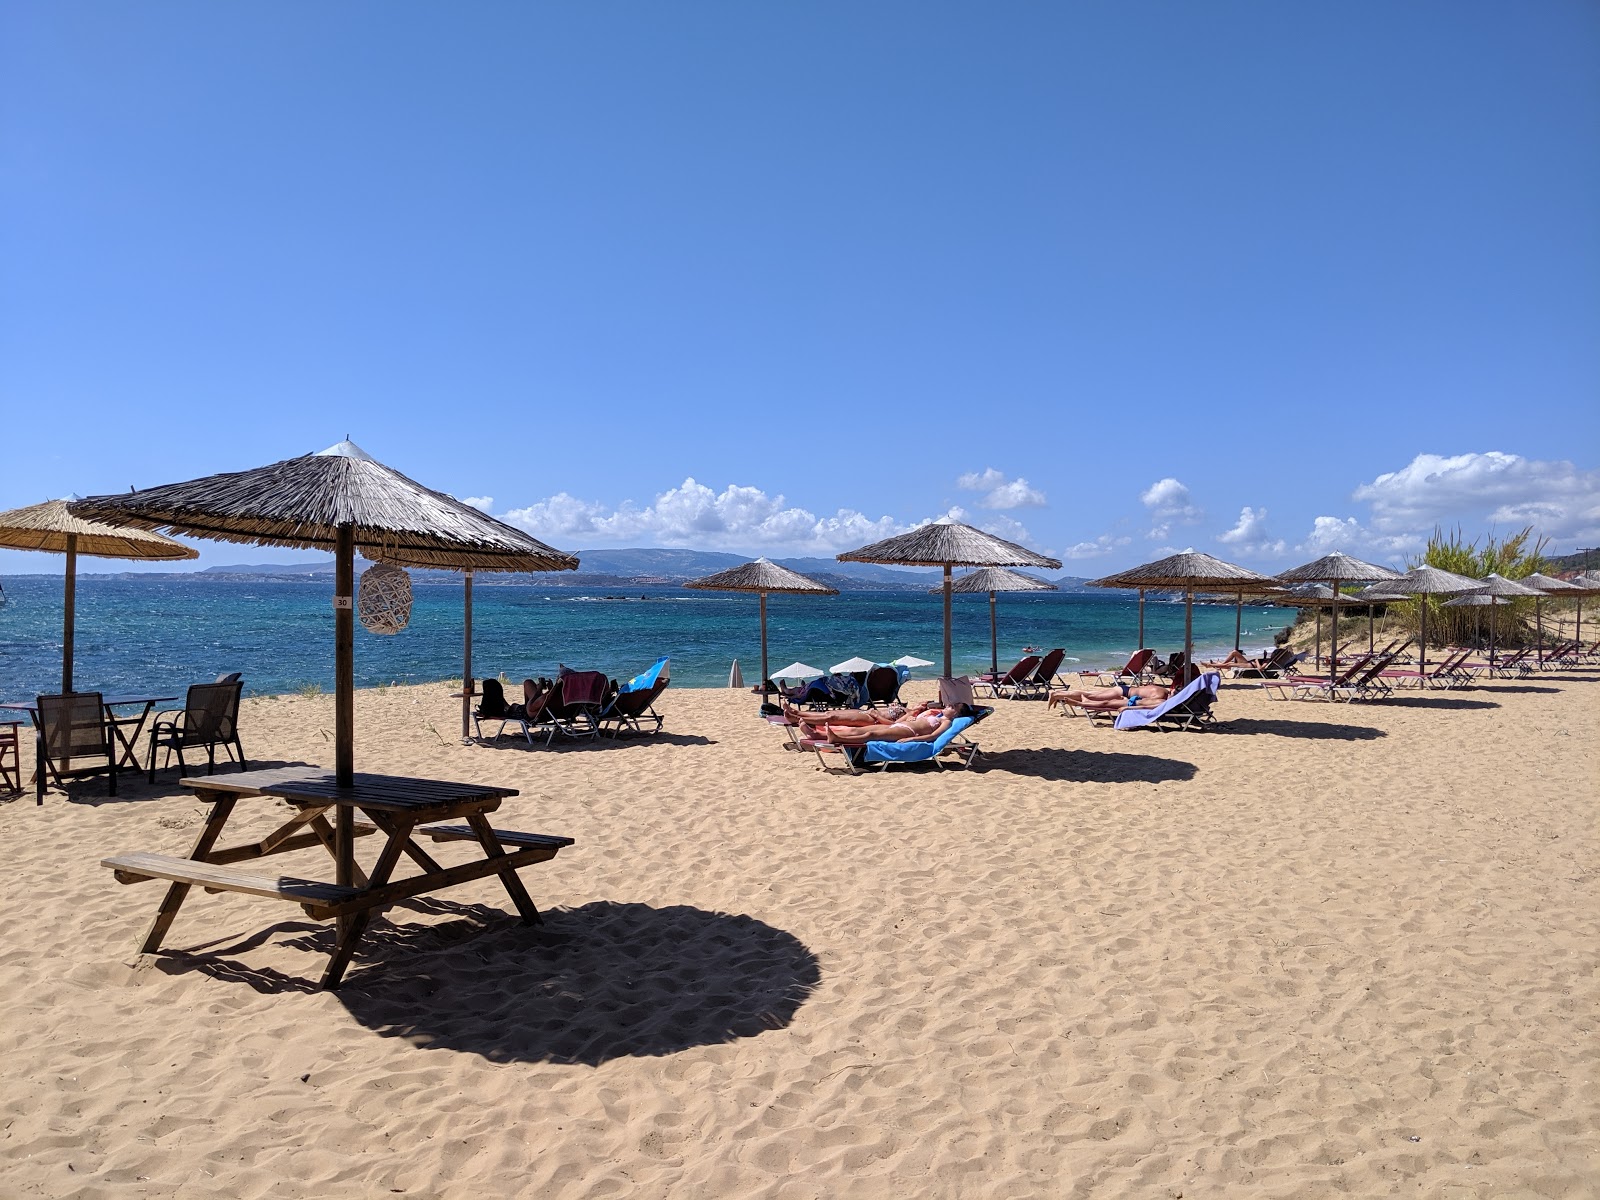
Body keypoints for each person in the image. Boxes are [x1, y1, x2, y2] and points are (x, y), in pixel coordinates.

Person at [800, 703, 970, 746]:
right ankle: (817, 735)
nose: (948, 706)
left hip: (908, 733)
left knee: (870, 736)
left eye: (952, 707)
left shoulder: (946, 722)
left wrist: (913, 740)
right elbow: (899, 721)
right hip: (898, 726)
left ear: (956, 713)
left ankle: (836, 739)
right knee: (857, 729)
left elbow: (933, 737)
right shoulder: (935, 714)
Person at [1047, 681, 1170, 712]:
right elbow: (1142, 702)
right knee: (1090, 695)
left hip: (1125, 689)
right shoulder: (1161, 696)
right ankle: (1057, 694)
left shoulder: (1163, 690)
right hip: (1123, 693)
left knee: (1091, 694)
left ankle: (1058, 694)